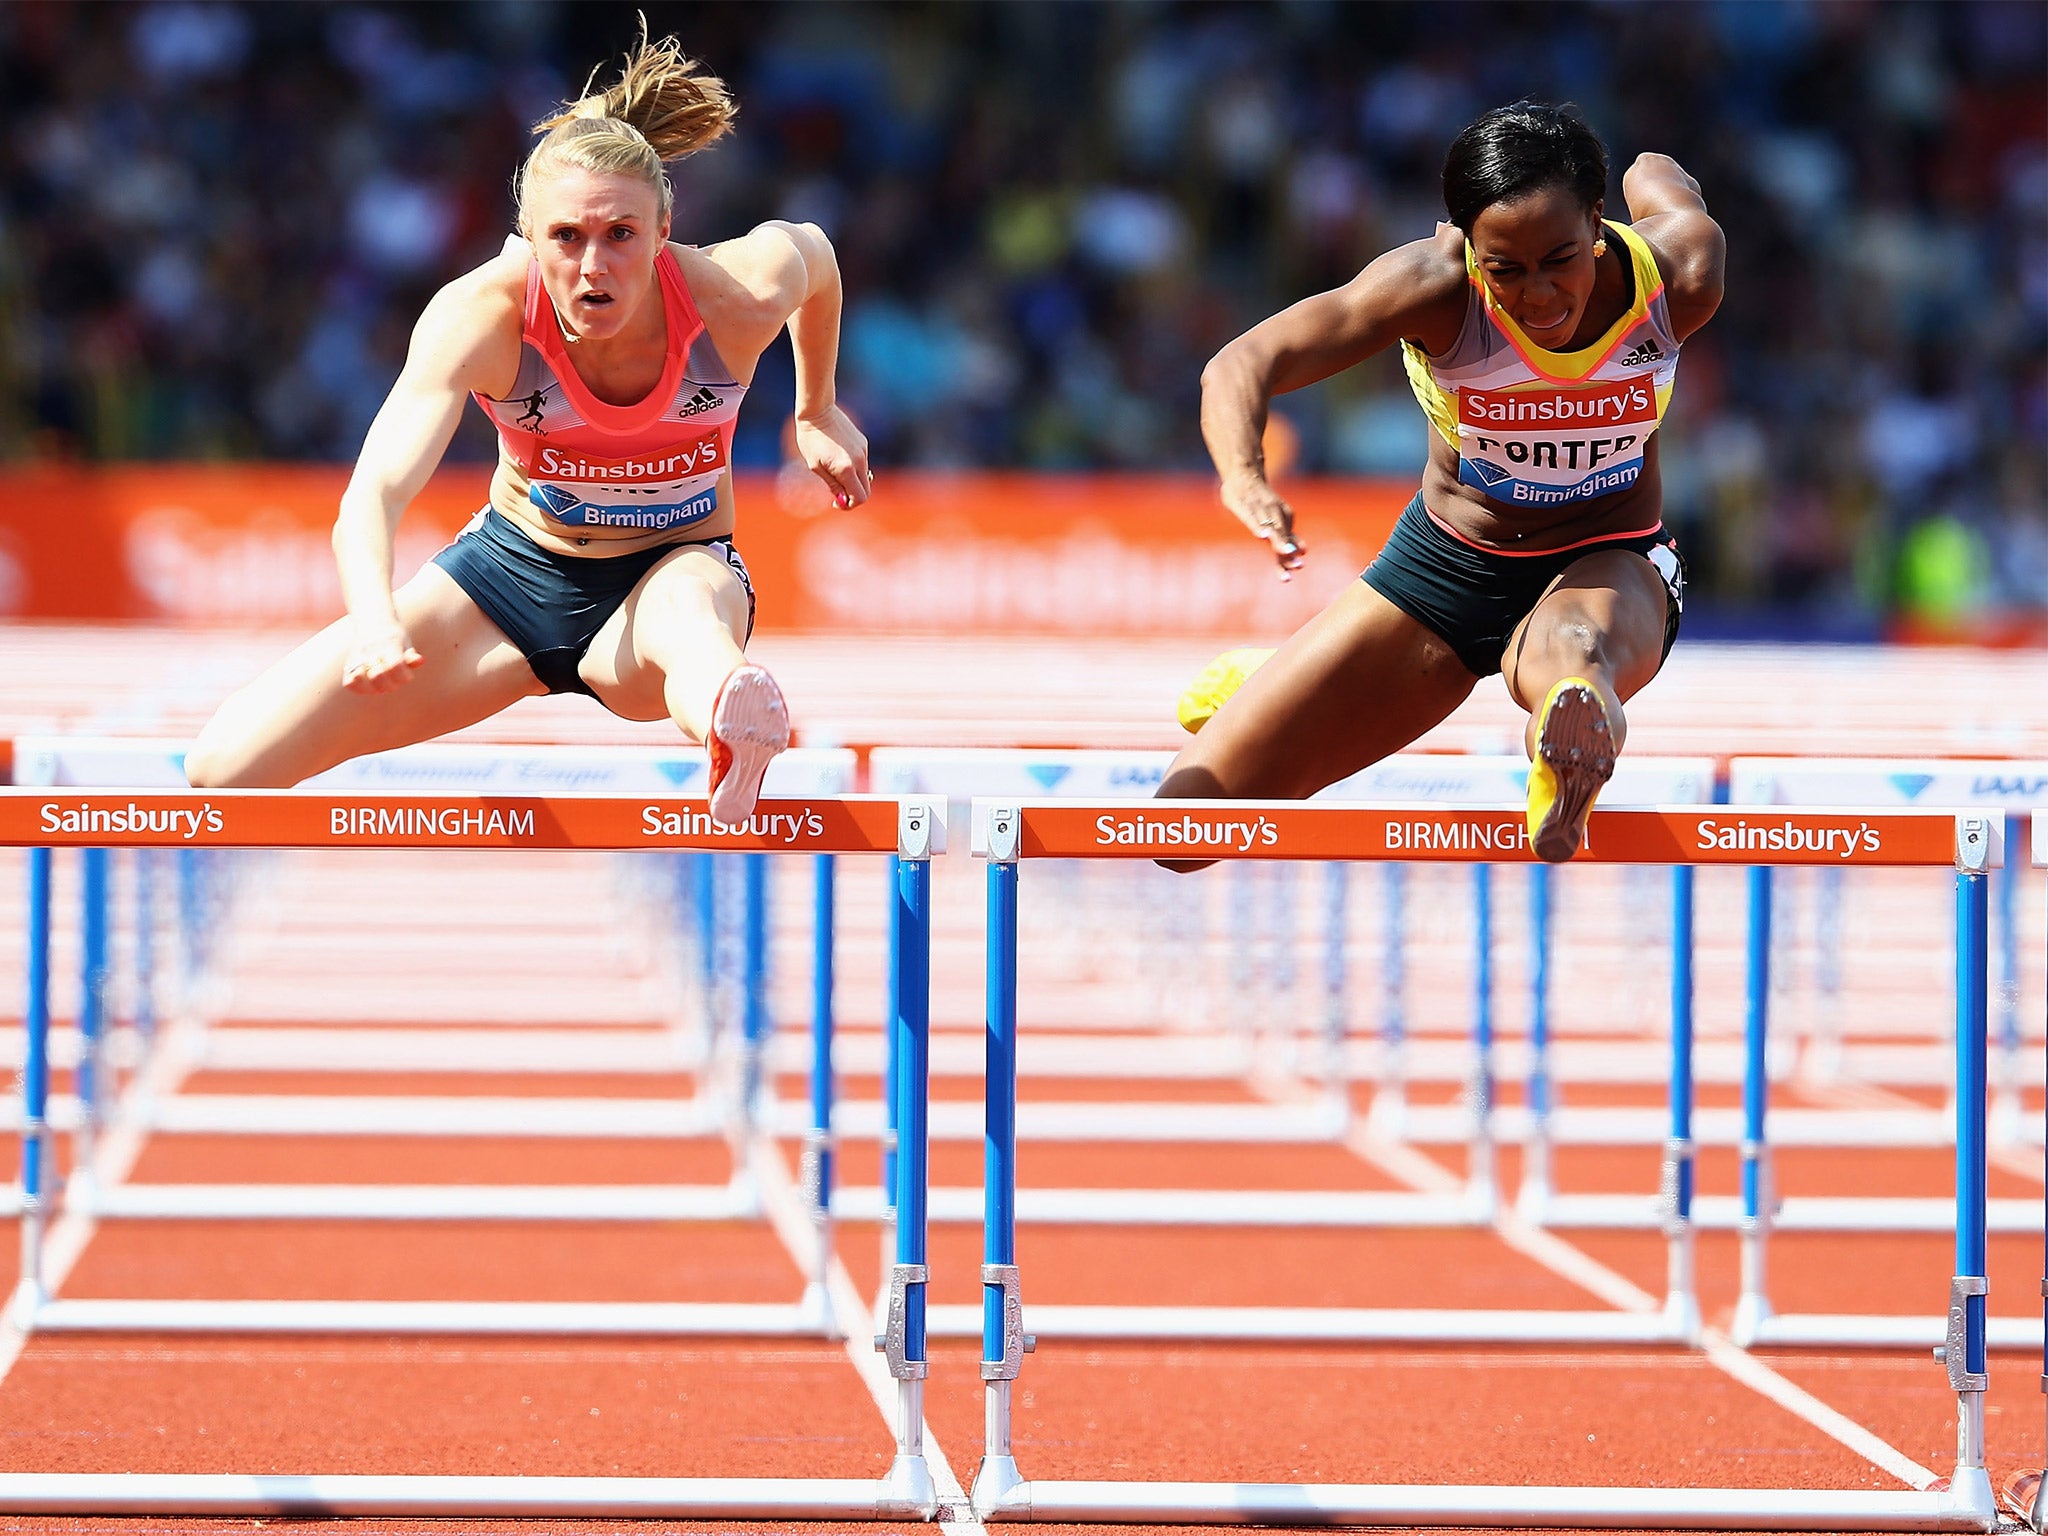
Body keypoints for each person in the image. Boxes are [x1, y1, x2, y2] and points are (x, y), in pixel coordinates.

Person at [185, 31, 871, 825]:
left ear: (663, 229)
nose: (593, 268)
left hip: (669, 570)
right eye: (567, 238)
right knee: (222, 768)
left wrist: (816, 407)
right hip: (506, 581)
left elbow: (815, 257)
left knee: (692, 620)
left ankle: (732, 717)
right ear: (528, 237)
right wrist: (375, 621)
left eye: (620, 235)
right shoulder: (483, 317)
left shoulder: (730, 299)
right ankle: (721, 701)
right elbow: (373, 493)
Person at [1163, 101, 1723, 863]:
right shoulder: (1432, 287)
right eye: (1506, 270)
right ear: (1463, 245)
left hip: (1609, 555)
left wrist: (1651, 172)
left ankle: (1568, 754)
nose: (1538, 297)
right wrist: (1243, 473)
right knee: (1185, 830)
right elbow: (1243, 362)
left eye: (1560, 260)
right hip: (1447, 571)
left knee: (1571, 654)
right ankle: (1278, 677)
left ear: (1598, 222)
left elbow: (1666, 187)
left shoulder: (1680, 275)